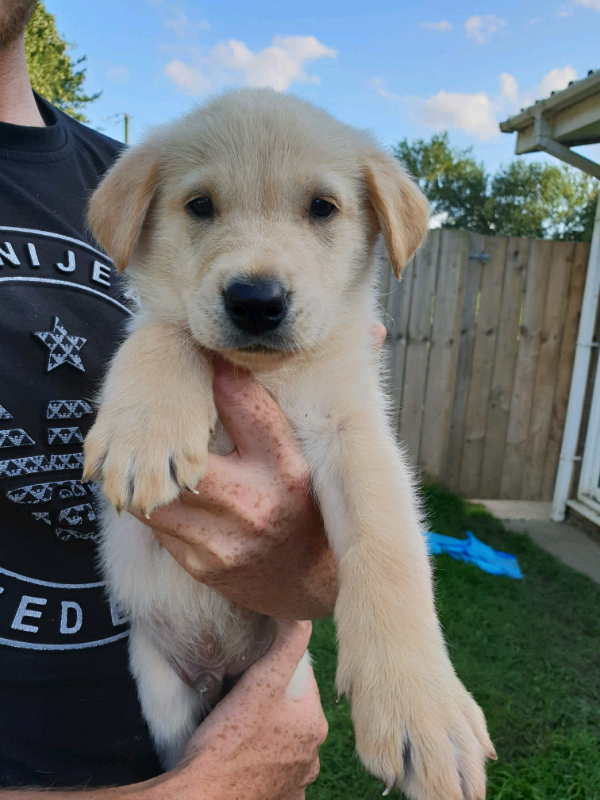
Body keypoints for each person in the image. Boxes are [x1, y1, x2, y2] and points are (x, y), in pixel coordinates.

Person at [0, 1, 367, 795]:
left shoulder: (135, 171)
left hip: (227, 694)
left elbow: (317, 573)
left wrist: (307, 566)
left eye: (320, 208)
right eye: (203, 208)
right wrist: (200, 789)